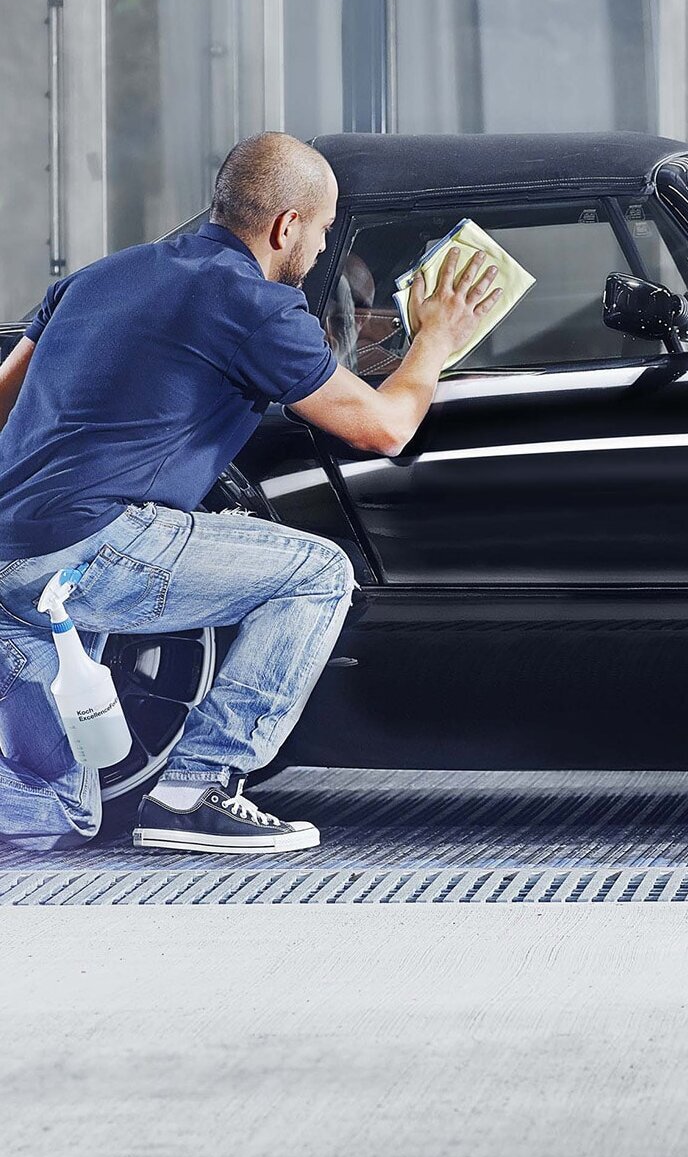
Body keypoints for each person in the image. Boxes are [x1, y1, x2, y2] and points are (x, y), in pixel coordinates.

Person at [0, 132, 502, 856]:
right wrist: (433, 340)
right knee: (318, 574)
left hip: (10, 560)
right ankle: (195, 789)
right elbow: (385, 427)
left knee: (52, 805)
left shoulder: (96, 278)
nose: (326, 247)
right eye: (326, 228)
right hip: (94, 549)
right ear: (286, 226)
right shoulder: (255, 304)